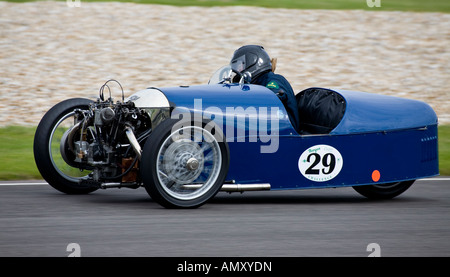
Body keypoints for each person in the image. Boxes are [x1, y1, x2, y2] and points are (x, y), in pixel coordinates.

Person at [229, 45, 300, 132]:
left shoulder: (272, 79)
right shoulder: (255, 84)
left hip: (285, 133)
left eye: (239, 66)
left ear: (251, 62)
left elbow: (272, 98)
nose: (237, 71)